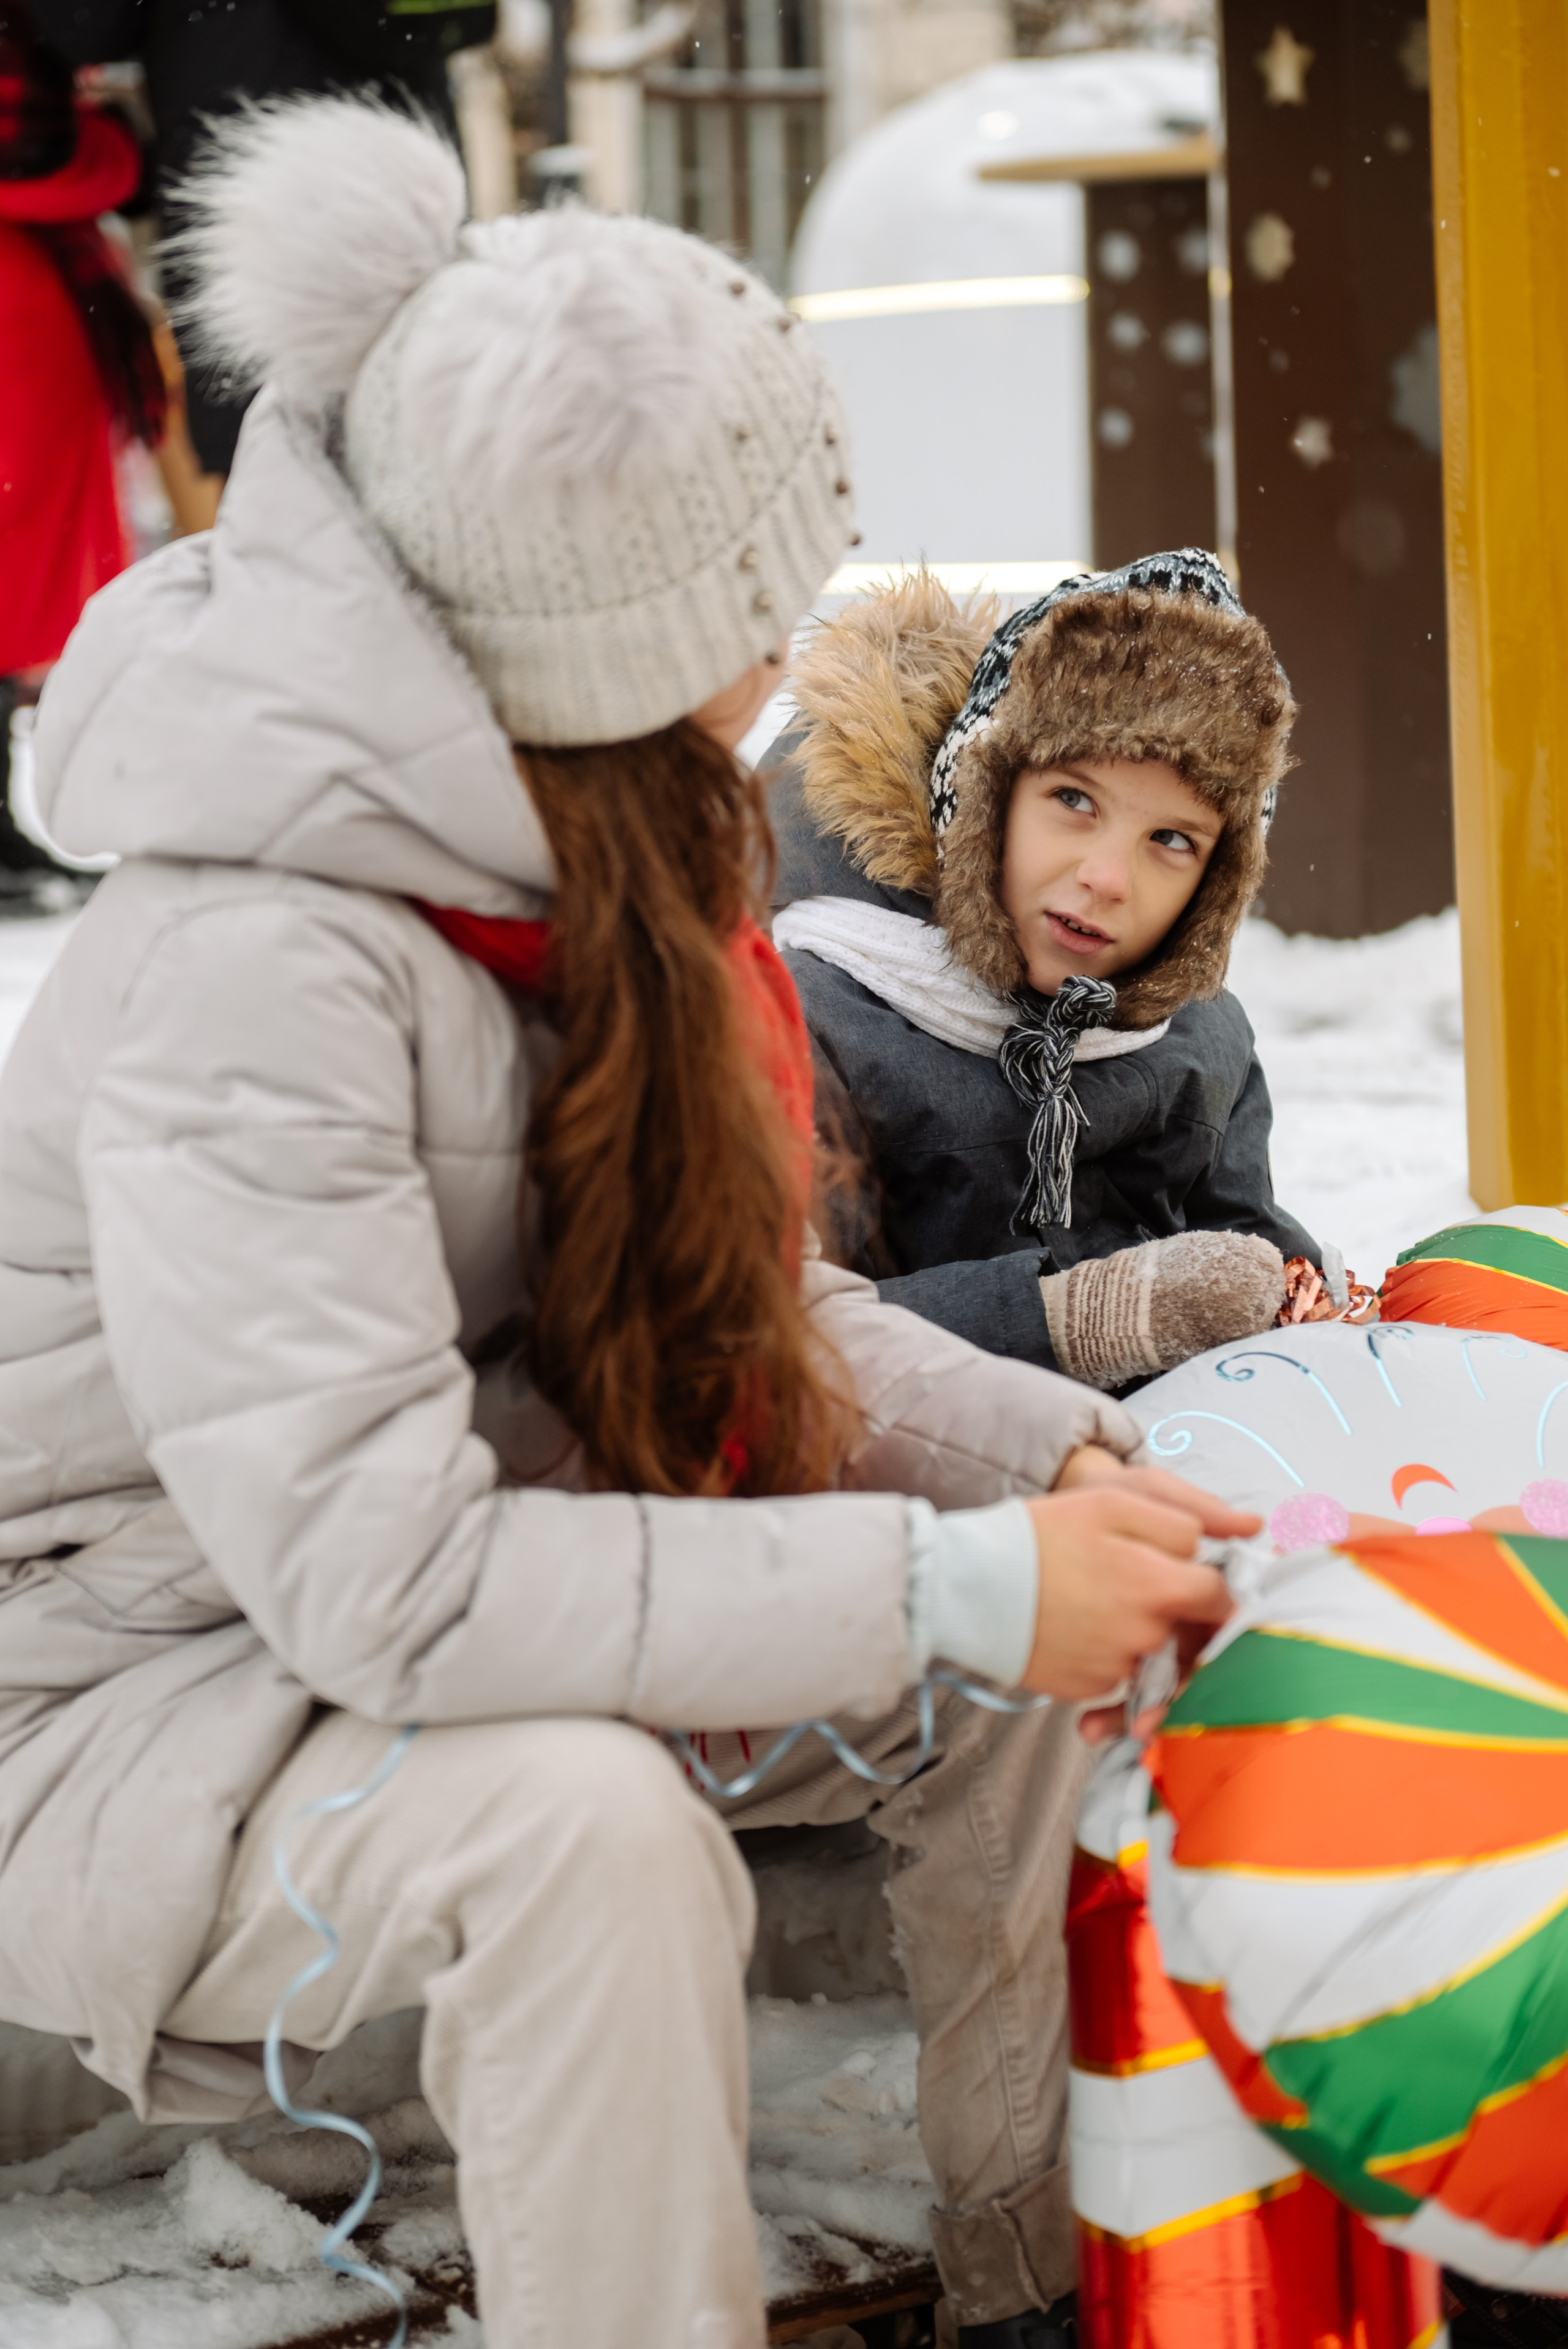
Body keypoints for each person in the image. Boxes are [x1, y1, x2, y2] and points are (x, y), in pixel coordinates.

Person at [0, 99, 1257, 2349]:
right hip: (127, 1707)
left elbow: (749, 1311)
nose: (783, 642)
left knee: (1013, 1674)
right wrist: (951, 1576)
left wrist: (1045, 1469)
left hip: (390, 1628)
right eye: (748, 600)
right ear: (607, 632)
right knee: (583, 1836)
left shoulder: (589, 839)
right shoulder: (265, 970)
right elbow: (387, 1582)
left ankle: (1031, 2291)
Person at [769, 563, 1327, 1393]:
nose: (1107, 878)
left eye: (1171, 840)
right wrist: (1077, 1318)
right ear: (985, 796)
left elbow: (1250, 1247)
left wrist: (1304, 1295)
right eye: (1074, 798)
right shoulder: (816, 1021)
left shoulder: (1203, 1040)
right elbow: (782, 1343)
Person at [29, 0, 494, 475]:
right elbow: (83, 30)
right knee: (267, 473)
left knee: (419, 465)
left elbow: (456, 19)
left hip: (385, 248)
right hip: (243, 263)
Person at [0, 0, 164, 903]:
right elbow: (61, 162)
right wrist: (111, 138)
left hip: (37, 308)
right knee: (18, 569)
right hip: (22, 310)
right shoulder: (29, 70)